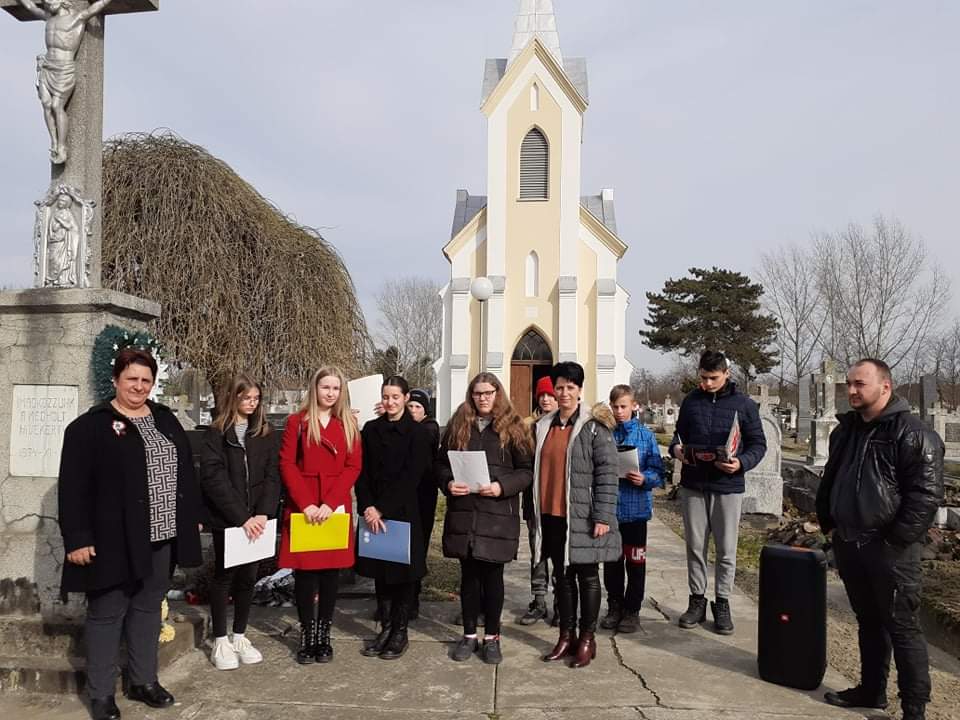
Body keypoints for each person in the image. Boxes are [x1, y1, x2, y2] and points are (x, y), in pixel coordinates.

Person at [58, 348, 203, 720]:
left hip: (162, 534)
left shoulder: (165, 419)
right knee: (107, 613)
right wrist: (77, 538)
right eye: (131, 379)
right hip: (113, 539)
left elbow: (186, 472)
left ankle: (143, 681)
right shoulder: (89, 427)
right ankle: (101, 694)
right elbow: (73, 488)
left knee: (148, 608)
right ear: (116, 380)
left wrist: (191, 517)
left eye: (145, 380)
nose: (139, 386)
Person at [816, 359, 943, 720]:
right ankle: (872, 690)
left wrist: (895, 541)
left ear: (885, 387)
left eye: (860, 384)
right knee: (868, 622)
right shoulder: (846, 431)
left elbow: (925, 496)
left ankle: (914, 709)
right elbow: (833, 477)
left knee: (902, 628)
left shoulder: (913, 433)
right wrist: (829, 523)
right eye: (849, 384)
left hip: (892, 549)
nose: (852, 390)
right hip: (850, 541)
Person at [436, 373, 533, 664]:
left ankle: (492, 638)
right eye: (478, 393)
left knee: (492, 578)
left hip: (497, 515)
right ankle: (468, 635)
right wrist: (448, 483)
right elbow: (440, 465)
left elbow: (526, 471)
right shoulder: (459, 423)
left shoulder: (514, 427)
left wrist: (502, 486)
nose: (483, 398)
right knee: (468, 577)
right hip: (465, 513)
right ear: (471, 395)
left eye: (489, 392)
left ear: (497, 393)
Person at [668, 350, 766, 635]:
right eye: (703, 378)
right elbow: (678, 436)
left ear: (726, 374)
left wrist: (741, 463)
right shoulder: (691, 401)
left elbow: (758, 444)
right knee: (695, 546)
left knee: (726, 549)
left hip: (727, 486)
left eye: (713, 378)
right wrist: (676, 449)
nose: (707, 383)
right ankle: (696, 601)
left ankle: (722, 602)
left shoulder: (744, 405)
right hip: (694, 485)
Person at [531, 361, 620, 668]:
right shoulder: (544, 426)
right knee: (563, 578)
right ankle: (566, 636)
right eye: (559, 387)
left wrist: (602, 516)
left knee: (588, 577)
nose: (564, 393)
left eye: (570, 387)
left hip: (583, 515)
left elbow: (608, 474)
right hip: (552, 514)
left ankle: (587, 639)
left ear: (580, 390)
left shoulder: (594, 427)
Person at [278, 367, 361, 665]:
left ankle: (324, 633)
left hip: (334, 506)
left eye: (336, 388)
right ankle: (307, 632)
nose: (330, 393)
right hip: (305, 505)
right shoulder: (297, 422)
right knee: (305, 573)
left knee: (329, 573)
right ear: (315, 388)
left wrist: (331, 502)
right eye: (325, 387)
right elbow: (287, 464)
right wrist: (306, 504)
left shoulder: (348, 423)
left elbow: (353, 466)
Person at [199, 373, 281, 671]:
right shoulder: (217, 434)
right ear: (233, 397)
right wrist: (241, 517)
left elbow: (273, 475)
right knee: (225, 576)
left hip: (258, 519)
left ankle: (240, 635)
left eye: (256, 399)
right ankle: (221, 639)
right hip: (230, 519)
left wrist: (262, 513)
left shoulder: (264, 433)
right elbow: (214, 478)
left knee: (249, 577)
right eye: (247, 398)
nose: (252, 403)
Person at [356, 376, 432, 660]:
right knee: (381, 573)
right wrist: (367, 506)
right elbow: (362, 472)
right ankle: (385, 627)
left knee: (402, 575)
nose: (390, 402)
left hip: (403, 512)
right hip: (372, 512)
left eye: (395, 397)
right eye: (386, 397)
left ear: (406, 397)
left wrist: (382, 509)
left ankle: (400, 631)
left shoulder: (417, 433)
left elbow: (412, 477)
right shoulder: (371, 429)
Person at [599, 384, 665, 633]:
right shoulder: (606, 434)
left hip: (636, 510)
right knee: (612, 564)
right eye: (615, 407)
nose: (619, 411)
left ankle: (632, 610)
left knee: (635, 563)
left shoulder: (646, 436)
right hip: (611, 510)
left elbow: (658, 472)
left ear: (634, 406)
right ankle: (614, 606)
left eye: (623, 406)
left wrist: (645, 478)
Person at [16, 0, 116, 163]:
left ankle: (62, 146)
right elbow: (30, 6)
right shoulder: (48, 18)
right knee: (46, 104)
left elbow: (96, 7)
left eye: (51, 1)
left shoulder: (77, 18)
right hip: (47, 66)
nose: (47, 3)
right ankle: (54, 142)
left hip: (64, 67)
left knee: (57, 106)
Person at [519, 376, 558, 626]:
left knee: (560, 554)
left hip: (558, 500)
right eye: (542, 395)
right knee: (538, 553)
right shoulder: (528, 427)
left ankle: (562, 602)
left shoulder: (566, 426)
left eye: (550, 395)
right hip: (534, 501)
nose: (545, 399)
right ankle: (539, 600)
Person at [407, 388, 440, 620]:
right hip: (404, 496)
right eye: (409, 406)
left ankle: (413, 598)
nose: (412, 411)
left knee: (418, 548)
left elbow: (423, 438)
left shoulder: (430, 428)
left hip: (424, 496)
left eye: (417, 407)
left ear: (425, 411)